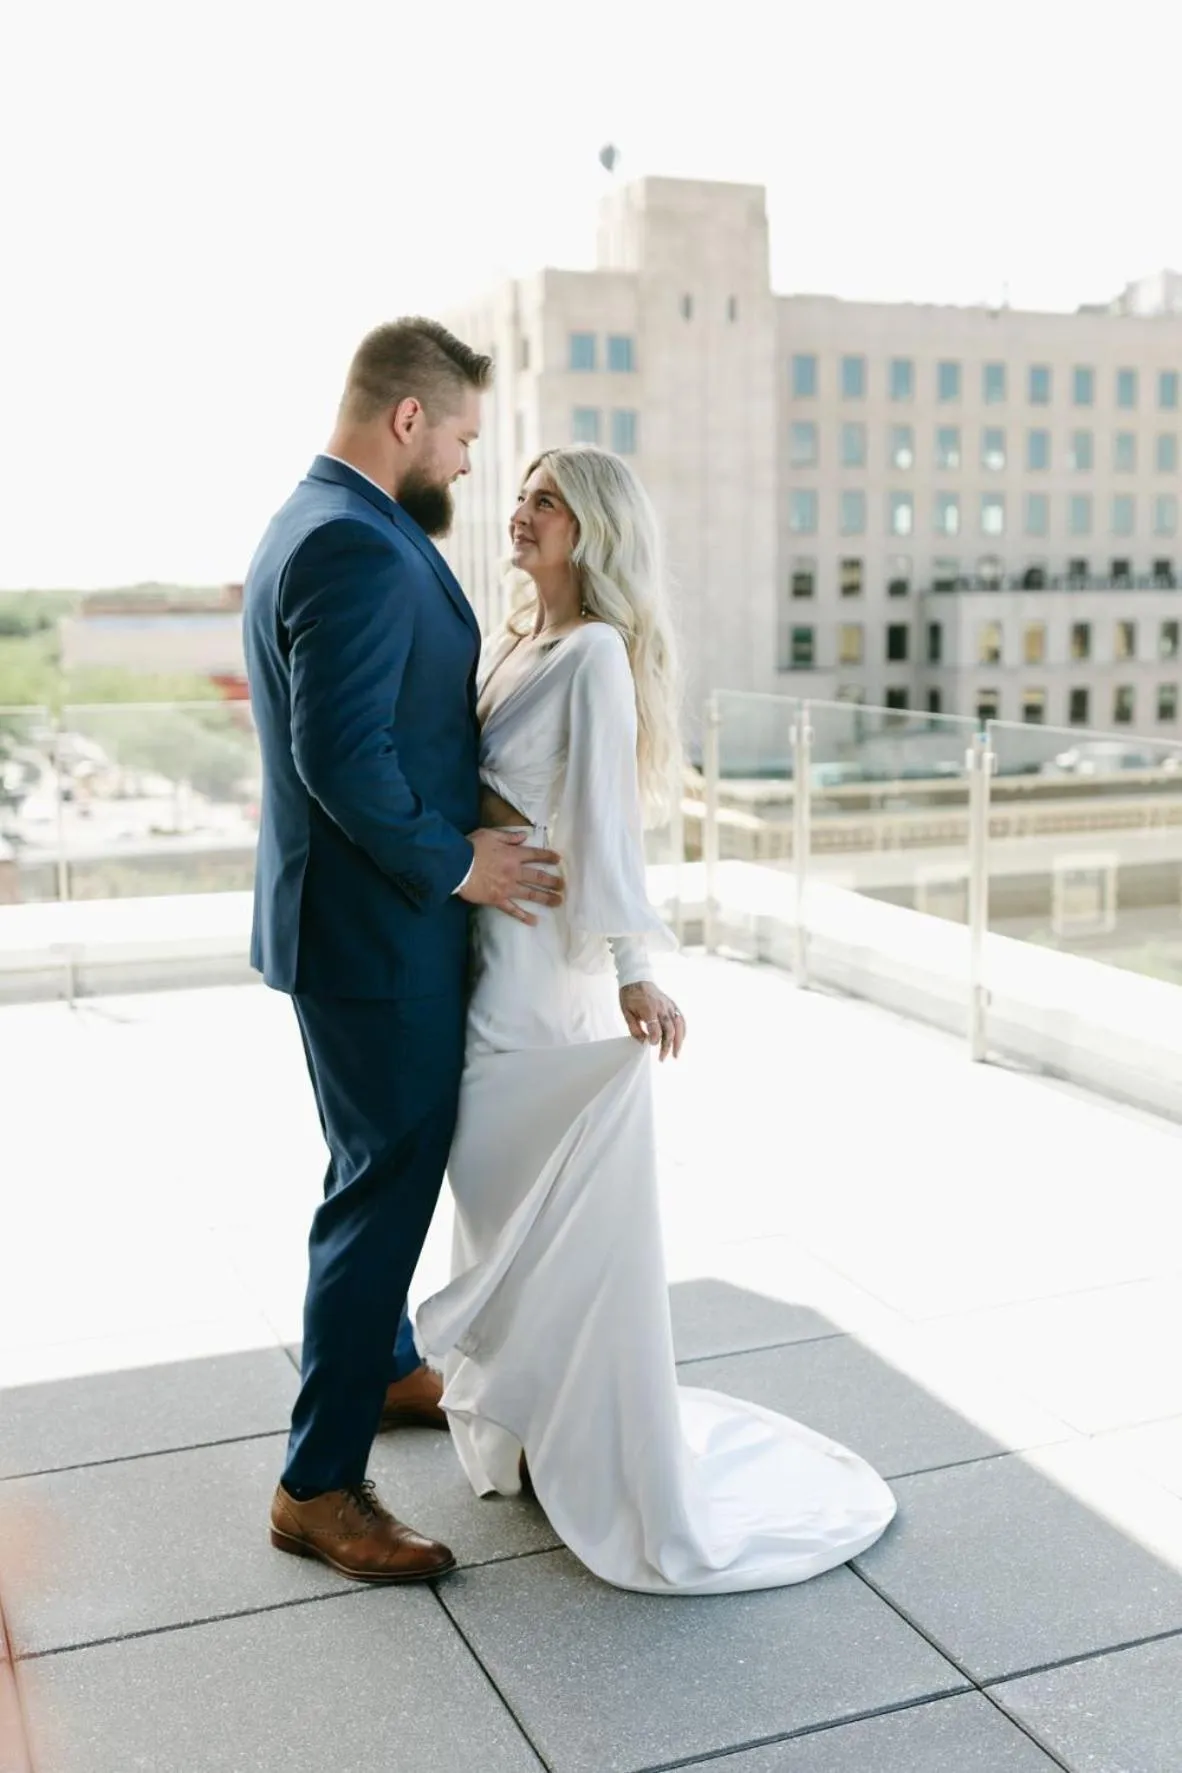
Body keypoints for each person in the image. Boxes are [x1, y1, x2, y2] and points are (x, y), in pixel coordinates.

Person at [416, 445, 896, 1593]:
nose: (521, 512)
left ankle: (571, 1432)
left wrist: (635, 969)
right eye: (522, 494)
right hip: (487, 935)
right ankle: (532, 1422)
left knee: (519, 1184)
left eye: (546, 501)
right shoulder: (513, 639)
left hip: (539, 964)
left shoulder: (592, 654)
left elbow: (605, 818)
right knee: (498, 1196)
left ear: (592, 529)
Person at [243, 319, 563, 1583]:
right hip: (375, 932)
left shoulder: (321, 519)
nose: (471, 465)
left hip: (349, 925)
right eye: (466, 438)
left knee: (371, 1167)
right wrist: (458, 861)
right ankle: (317, 1486)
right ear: (410, 418)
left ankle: (378, 1370)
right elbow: (342, 756)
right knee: (384, 1185)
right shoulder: (352, 543)